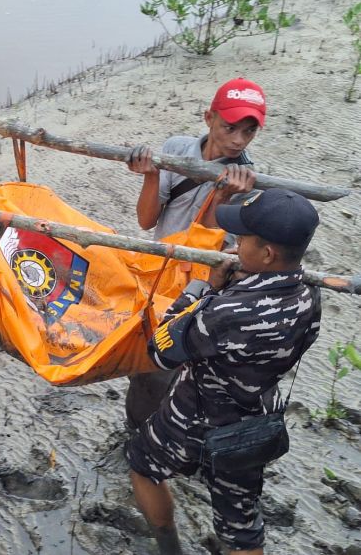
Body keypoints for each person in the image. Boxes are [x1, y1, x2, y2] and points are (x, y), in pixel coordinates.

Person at [125, 188, 321, 555]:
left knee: (142, 464)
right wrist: (242, 282)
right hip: (253, 422)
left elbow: (162, 350)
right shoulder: (311, 295)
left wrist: (204, 287)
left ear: (266, 253)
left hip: (194, 417)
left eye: (244, 238)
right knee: (241, 523)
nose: (236, 242)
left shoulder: (226, 312)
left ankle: (169, 548)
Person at [124, 77, 265, 429]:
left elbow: (217, 244)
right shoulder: (177, 149)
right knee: (142, 360)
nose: (237, 140)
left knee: (166, 363)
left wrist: (224, 197)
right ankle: (138, 430)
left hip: (199, 286)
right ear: (209, 118)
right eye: (229, 127)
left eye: (248, 132)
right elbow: (146, 221)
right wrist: (151, 176)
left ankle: (157, 434)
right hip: (156, 271)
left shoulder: (248, 180)